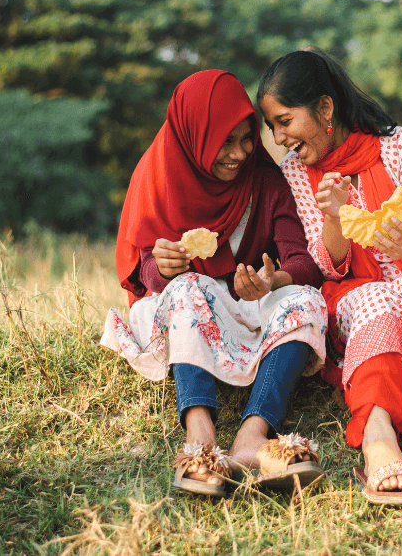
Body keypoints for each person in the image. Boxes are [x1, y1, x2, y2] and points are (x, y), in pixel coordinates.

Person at [256, 49, 402, 522]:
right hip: (356, 290)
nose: (279, 139)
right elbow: (327, 267)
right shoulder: (296, 173)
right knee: (374, 299)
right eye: (272, 127)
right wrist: (335, 215)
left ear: (325, 109)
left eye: (284, 121)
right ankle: (378, 435)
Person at [100, 69, 328, 498]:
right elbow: (143, 273)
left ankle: (252, 438)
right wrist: (165, 266)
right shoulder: (159, 175)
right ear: (193, 135)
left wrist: (273, 280)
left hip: (247, 307)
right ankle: (200, 441)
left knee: (306, 299)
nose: (239, 153)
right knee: (189, 286)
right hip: (184, 308)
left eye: (246, 139)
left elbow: (303, 262)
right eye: (224, 140)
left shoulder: (263, 179)